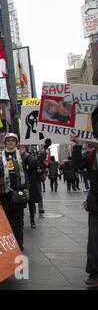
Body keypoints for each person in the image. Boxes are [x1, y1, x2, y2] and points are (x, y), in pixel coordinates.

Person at [71, 104, 98, 285]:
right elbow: (78, 165)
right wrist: (77, 145)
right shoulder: (91, 154)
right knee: (95, 238)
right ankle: (94, 272)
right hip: (96, 203)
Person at [0, 133, 39, 251]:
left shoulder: (22, 154)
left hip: (18, 192)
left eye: (13, 140)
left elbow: (35, 163)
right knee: (8, 220)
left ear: (16, 143)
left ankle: (19, 243)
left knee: (18, 220)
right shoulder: (0, 155)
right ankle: (11, 244)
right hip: (5, 192)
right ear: (5, 142)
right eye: (8, 140)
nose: (10, 142)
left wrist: (43, 150)